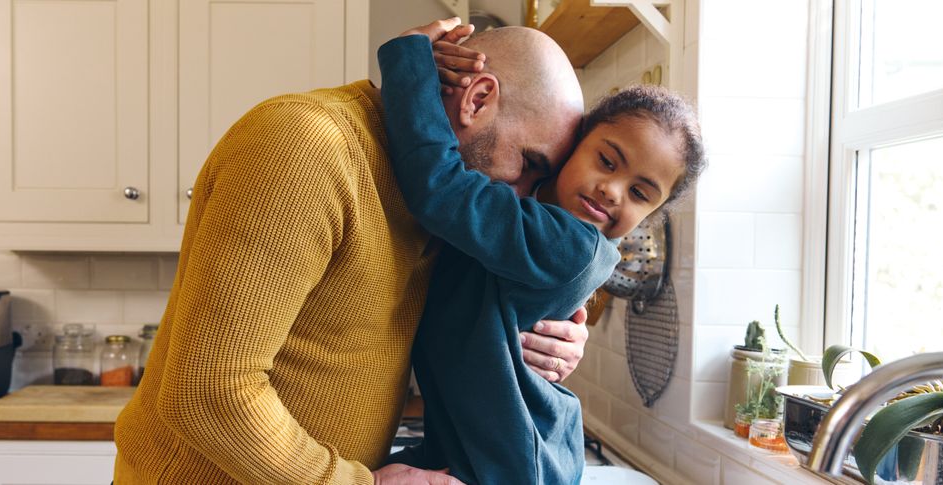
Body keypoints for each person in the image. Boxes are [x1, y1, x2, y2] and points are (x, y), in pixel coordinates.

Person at [112, 19, 597, 485]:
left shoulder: (438, 210)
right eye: (528, 165)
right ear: (478, 98)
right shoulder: (305, 145)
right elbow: (208, 391)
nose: (519, 196)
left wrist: (546, 341)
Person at [377, 27, 706, 485]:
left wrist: (407, 57)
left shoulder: (569, 245)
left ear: (649, 216)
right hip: (479, 449)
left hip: (512, 467)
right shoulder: (530, 220)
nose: (612, 191)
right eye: (607, 162)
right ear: (572, 147)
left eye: (638, 193)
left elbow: (440, 187)